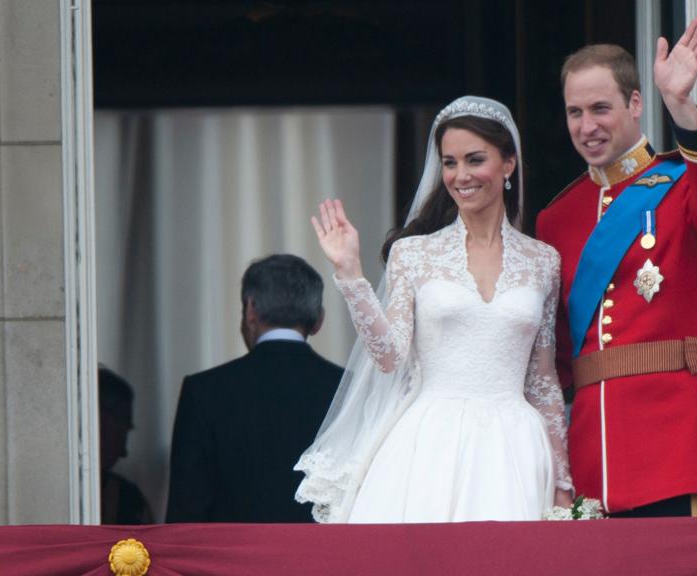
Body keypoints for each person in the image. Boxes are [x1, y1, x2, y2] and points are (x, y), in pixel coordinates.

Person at [294, 96, 573, 523]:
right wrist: (350, 274)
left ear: (508, 164)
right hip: (429, 444)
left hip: (516, 446)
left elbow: (543, 379)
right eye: (449, 162)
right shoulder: (414, 254)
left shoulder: (544, 262)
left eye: (475, 159)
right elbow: (389, 358)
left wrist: (562, 480)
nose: (460, 176)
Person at [535, 18, 697, 517]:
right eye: (575, 112)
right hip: (592, 451)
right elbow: (557, 351)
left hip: (674, 446)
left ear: (636, 105)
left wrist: (682, 107)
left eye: (600, 108)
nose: (586, 126)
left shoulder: (684, 182)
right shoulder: (557, 217)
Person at [166, 254, 343, 522]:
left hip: (228, 561)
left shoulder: (203, 391)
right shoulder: (347, 389)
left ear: (250, 309)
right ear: (319, 319)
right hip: (323, 560)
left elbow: (186, 512)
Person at [99, 366, 154, 525]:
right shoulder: (128, 499)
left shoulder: (129, 500)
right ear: (101, 423)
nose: (124, 452)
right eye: (122, 432)